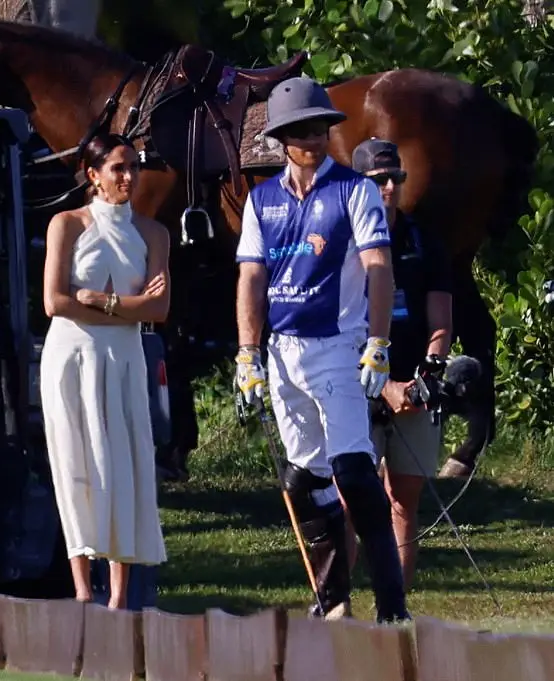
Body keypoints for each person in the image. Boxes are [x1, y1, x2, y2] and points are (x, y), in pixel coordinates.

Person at [234, 76, 409, 623]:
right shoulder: (262, 199)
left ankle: (392, 608)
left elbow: (379, 268)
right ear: (281, 139)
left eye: (318, 128)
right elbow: (251, 279)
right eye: (299, 131)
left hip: (338, 345)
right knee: (303, 480)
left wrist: (378, 343)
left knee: (354, 472)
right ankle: (334, 602)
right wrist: (247, 353)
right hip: (283, 351)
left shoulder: (355, 191)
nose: (311, 139)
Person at [39, 132, 169, 609]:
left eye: (133, 166)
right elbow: (55, 301)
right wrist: (127, 306)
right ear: (93, 175)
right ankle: (80, 589)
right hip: (72, 356)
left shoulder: (154, 233)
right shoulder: (67, 224)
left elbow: (160, 308)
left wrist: (101, 300)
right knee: (76, 460)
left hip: (124, 356)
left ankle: (117, 595)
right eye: (118, 168)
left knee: (126, 460)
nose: (128, 176)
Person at [349, 138, 453, 590]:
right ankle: (339, 603)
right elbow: (335, 325)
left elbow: (442, 323)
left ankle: (396, 606)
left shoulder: (424, 240)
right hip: (354, 384)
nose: (389, 187)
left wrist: (423, 379)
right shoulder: (342, 242)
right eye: (379, 180)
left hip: (414, 386)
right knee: (353, 498)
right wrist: (384, 386)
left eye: (396, 178)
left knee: (401, 500)